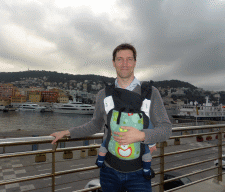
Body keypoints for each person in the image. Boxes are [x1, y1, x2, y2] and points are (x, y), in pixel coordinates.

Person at [50, 43, 172, 192]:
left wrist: (141, 135)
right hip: (109, 171)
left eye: (129, 59)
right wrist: (67, 132)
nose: (125, 64)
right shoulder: (104, 94)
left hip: (139, 173)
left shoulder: (150, 93)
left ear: (135, 62)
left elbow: (166, 129)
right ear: (113, 63)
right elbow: (95, 124)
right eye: (120, 59)